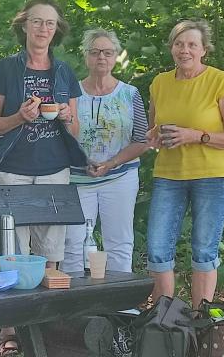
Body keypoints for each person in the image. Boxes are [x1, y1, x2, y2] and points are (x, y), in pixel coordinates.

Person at [0, 0, 83, 356]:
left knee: (50, 253)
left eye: (50, 23)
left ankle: (45, 327)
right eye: (37, 21)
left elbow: (75, 131)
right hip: (12, 171)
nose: (43, 29)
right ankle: (9, 330)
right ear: (24, 25)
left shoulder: (64, 72)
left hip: (54, 170)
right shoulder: (7, 69)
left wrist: (68, 118)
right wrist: (19, 118)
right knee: (13, 253)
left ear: (57, 31)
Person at [146, 19, 224, 308]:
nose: (184, 50)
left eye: (191, 44)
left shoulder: (220, 81)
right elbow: (155, 127)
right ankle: (166, 319)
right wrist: (155, 136)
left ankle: (200, 320)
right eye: (179, 44)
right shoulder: (160, 83)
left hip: (213, 176)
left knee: (203, 250)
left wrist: (194, 135)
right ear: (171, 48)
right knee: (157, 248)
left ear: (204, 49)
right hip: (169, 175)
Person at [62, 29, 148, 274]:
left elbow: (142, 140)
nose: (101, 57)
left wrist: (111, 162)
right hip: (77, 179)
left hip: (120, 177)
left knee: (119, 242)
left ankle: (121, 306)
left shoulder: (130, 94)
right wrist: (81, 160)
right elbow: (61, 138)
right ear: (85, 56)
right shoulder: (71, 93)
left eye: (108, 52)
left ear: (116, 57)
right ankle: (77, 304)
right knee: (73, 244)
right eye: (95, 52)